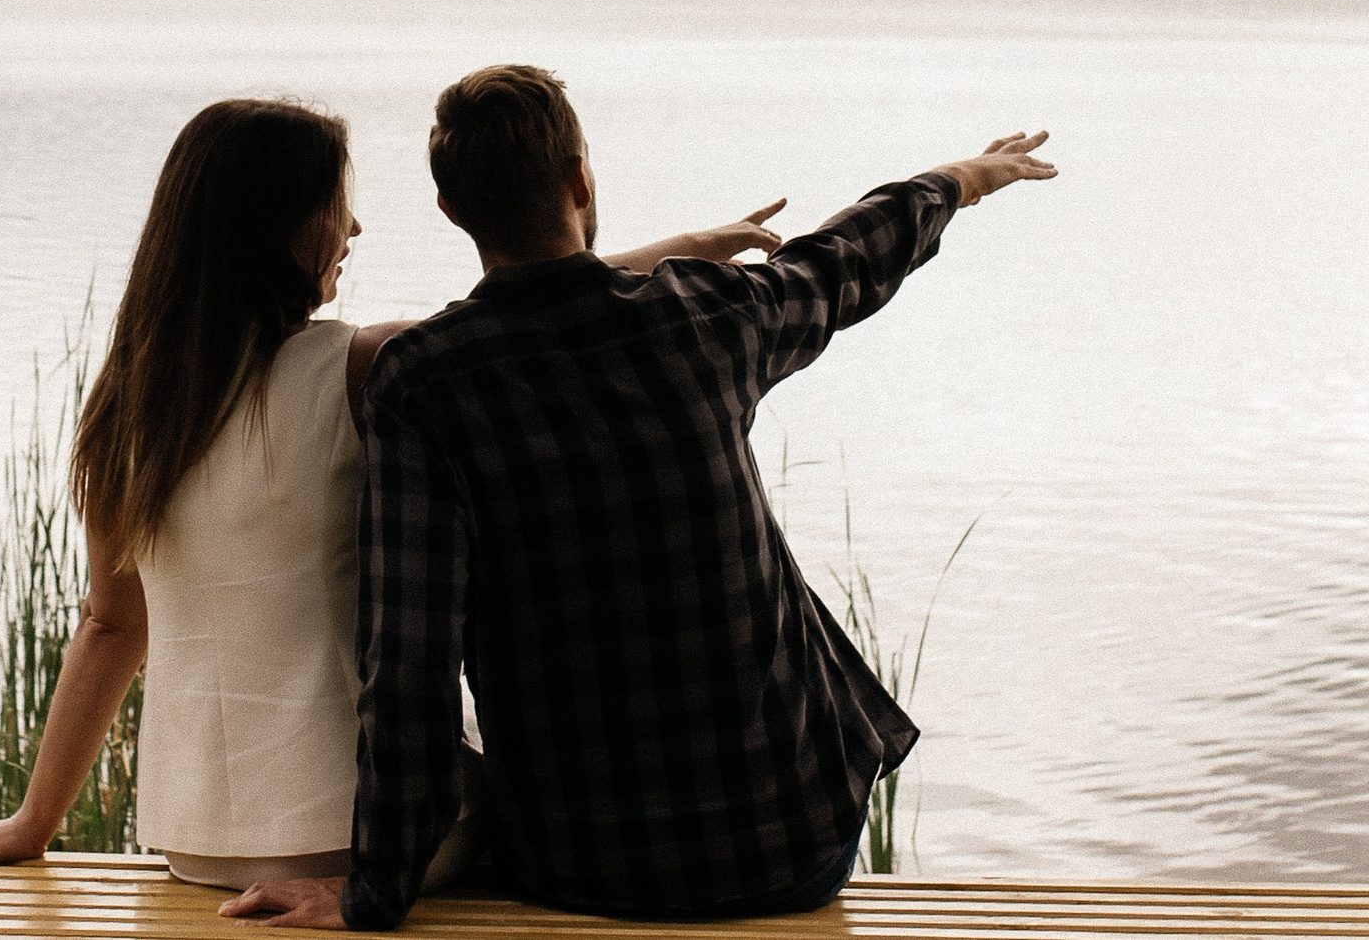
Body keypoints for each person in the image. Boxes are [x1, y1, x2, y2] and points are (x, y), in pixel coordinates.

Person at [219, 65, 1057, 931]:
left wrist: (373, 891)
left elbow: (409, 663)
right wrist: (958, 181)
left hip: (574, 866)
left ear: (453, 211)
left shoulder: (425, 380)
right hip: (791, 847)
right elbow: (842, 260)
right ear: (581, 179)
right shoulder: (703, 316)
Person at [0, 95, 789, 889]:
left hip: (197, 843)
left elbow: (111, 623)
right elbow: (518, 321)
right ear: (279, 226)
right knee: (559, 808)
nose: (352, 229)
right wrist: (688, 252)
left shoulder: (131, 403)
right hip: (362, 832)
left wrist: (31, 823)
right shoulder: (356, 367)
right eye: (335, 206)